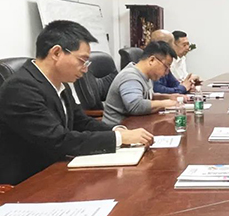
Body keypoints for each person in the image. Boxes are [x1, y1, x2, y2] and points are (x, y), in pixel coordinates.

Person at [0, 20, 153, 186]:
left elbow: (81, 121)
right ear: (56, 53)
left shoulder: (60, 83)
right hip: (28, 183)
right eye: (82, 60)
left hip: (58, 170)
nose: (85, 69)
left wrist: (117, 130)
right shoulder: (20, 88)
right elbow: (58, 140)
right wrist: (119, 138)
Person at [102, 41, 180, 126]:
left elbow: (147, 96)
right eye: (166, 67)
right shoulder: (130, 76)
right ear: (152, 60)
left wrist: (169, 97)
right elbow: (136, 106)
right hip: (117, 128)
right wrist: (165, 103)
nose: (166, 72)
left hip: (135, 124)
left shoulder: (146, 75)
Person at [150, 30, 194, 94]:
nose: (173, 46)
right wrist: (182, 88)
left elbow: (174, 83)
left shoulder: (166, 61)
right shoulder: (155, 62)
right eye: (172, 43)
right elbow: (158, 89)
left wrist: (186, 86)